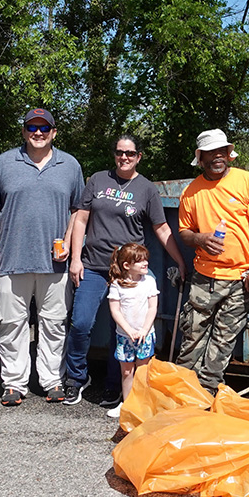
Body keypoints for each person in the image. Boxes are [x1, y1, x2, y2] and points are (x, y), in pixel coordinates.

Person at [64, 134, 186, 406]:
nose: (124, 158)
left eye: (130, 153)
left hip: (129, 273)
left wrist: (179, 260)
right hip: (94, 265)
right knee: (81, 322)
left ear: (139, 156)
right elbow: (81, 219)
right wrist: (75, 258)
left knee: (121, 329)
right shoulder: (97, 180)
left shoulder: (146, 189)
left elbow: (161, 228)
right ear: (114, 154)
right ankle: (76, 379)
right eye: (120, 152)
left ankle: (113, 385)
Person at [0, 109, 84, 406]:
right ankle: (14, 383)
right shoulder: (4, 163)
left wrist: (68, 243)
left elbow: (79, 210)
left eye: (44, 128)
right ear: (24, 130)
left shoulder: (70, 165)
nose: (37, 133)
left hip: (55, 263)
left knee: (54, 323)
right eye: (31, 127)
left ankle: (52, 379)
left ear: (54, 132)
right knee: (11, 323)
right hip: (13, 259)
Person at [175, 129, 249, 393]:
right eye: (210, 153)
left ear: (229, 154)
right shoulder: (191, 192)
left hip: (241, 279)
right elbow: (184, 232)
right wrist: (200, 239)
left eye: (222, 151)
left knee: (223, 341)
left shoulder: (248, 182)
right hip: (203, 277)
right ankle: (181, 392)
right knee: (192, 336)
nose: (217, 157)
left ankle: (207, 393)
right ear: (201, 158)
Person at [105, 242, 159, 418]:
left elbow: (152, 308)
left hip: (145, 335)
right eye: (140, 261)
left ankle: (142, 403)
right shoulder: (117, 285)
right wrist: (128, 330)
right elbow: (115, 310)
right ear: (126, 265)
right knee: (127, 371)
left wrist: (144, 329)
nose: (145, 263)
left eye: (146, 260)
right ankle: (127, 404)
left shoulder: (149, 282)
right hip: (125, 336)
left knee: (142, 371)